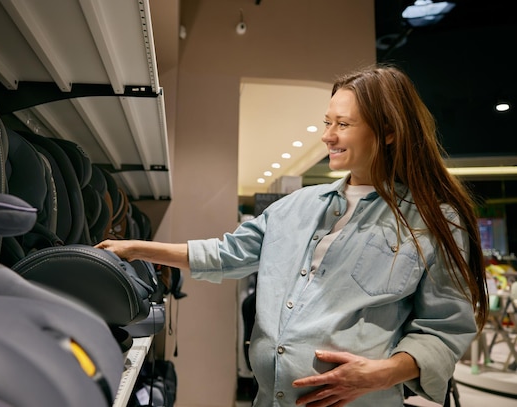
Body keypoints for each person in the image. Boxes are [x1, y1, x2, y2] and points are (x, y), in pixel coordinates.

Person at [95, 64, 488, 407]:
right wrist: (135, 248)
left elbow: (445, 329)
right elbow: (227, 254)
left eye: (343, 125)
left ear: (387, 132)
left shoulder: (433, 222)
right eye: (327, 122)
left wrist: (382, 374)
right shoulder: (295, 206)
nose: (328, 136)